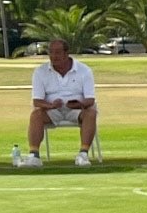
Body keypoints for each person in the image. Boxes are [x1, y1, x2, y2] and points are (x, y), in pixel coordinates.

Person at [22, 38, 98, 167]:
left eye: (57, 52)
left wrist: (78, 104)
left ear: (66, 53)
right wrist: (50, 105)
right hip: (52, 110)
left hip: (76, 110)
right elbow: (37, 101)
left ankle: (83, 154)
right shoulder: (40, 72)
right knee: (36, 115)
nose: (53, 56)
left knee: (91, 113)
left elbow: (90, 99)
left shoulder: (84, 70)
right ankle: (34, 155)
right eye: (51, 52)